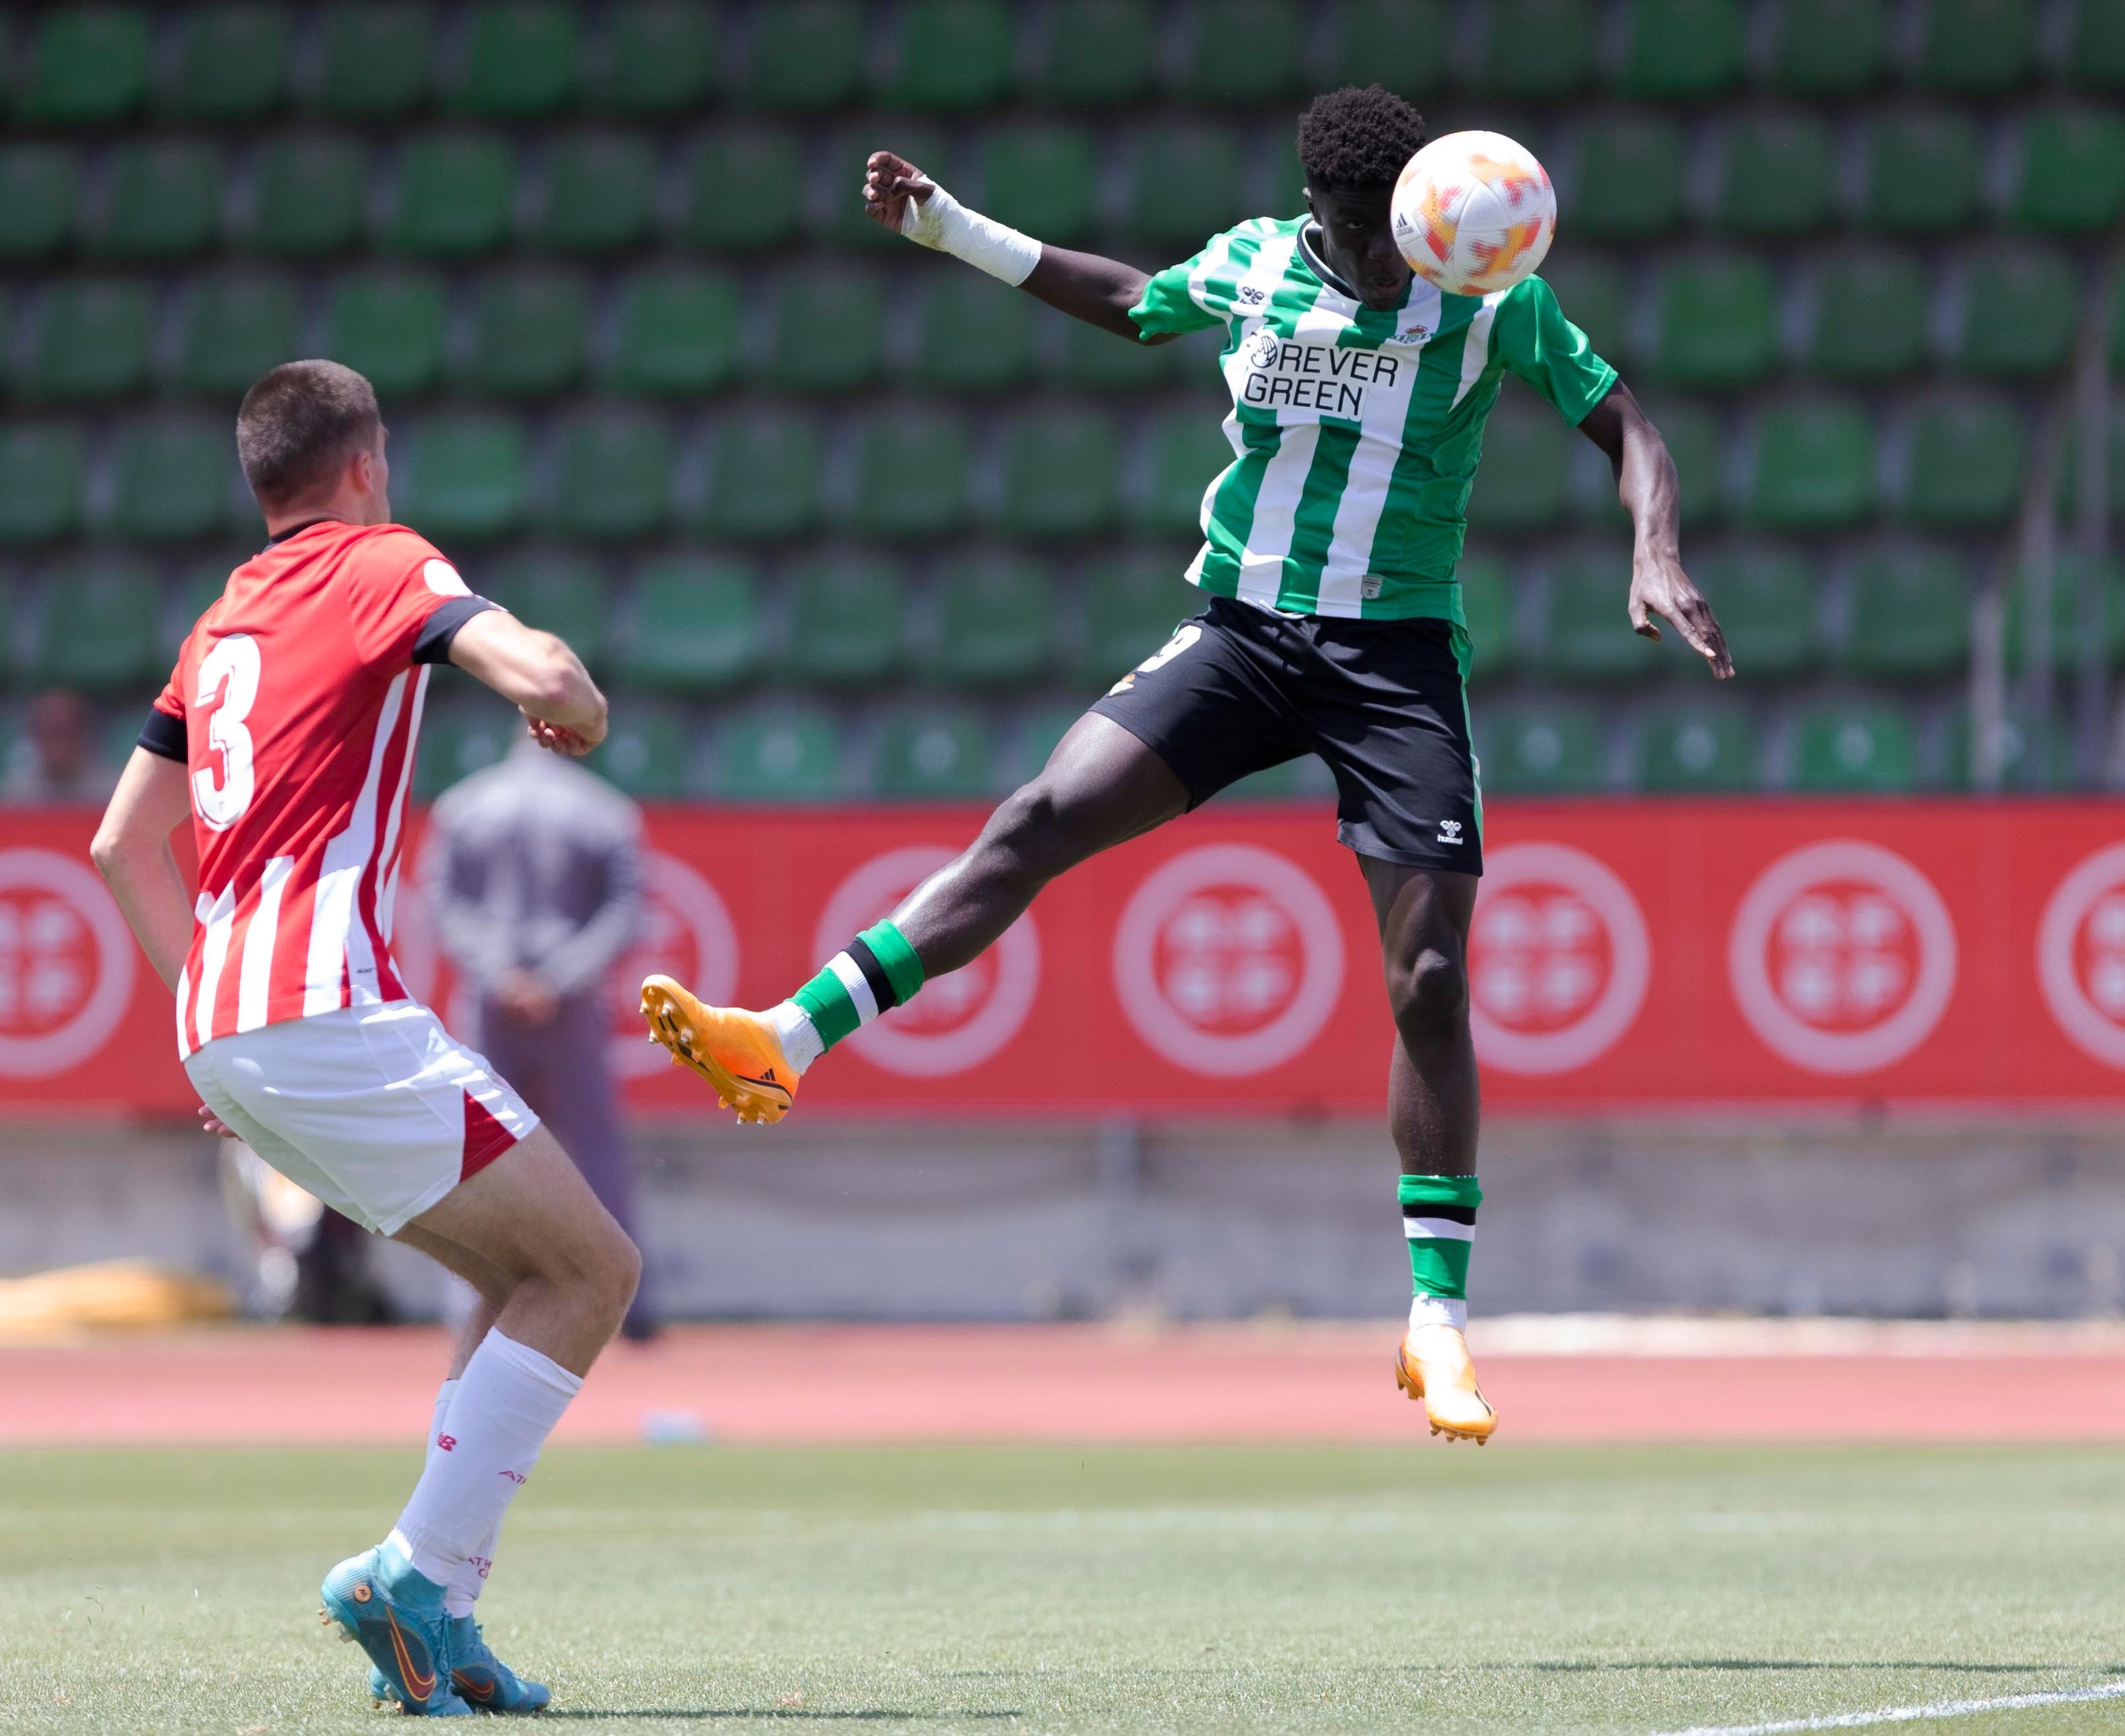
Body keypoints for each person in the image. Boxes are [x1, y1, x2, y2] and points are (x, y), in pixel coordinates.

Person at [641, 88, 1733, 1447]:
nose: (1378, 255)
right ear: (1317, 211)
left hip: (1393, 657)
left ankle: (1436, 1319)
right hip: (1245, 633)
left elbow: (1626, 423)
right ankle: (782, 1040)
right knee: (1039, 815)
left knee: (1429, 973)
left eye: (1393, 230)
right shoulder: (1256, 263)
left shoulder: (1488, 292)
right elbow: (1128, 300)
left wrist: (1654, 548)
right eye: (1353, 229)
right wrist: (949, 228)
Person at [90, 358, 628, 1716]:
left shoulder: (220, 621)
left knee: (517, 1276)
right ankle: (412, 1575)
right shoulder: (375, 559)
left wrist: (204, 1005)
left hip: (226, 1021)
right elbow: (542, 667)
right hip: (324, 1004)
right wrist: (572, 705)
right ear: (364, 463)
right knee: (592, 1268)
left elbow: (121, 843)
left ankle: (439, 1600)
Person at [425, 740, 655, 1340]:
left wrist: (498, 972)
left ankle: (469, 1303)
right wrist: (559, 977)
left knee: (475, 1148)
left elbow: (444, 903)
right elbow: (626, 910)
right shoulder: (605, 809)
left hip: (492, 997)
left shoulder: (464, 804)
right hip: (570, 1003)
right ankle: (625, 1303)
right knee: (594, 1147)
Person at [0, 687, 121, 805]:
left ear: (84, 732)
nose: (59, 744)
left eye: (65, 732)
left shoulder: (113, 794)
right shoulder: (13, 797)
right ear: (35, 734)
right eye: (51, 732)